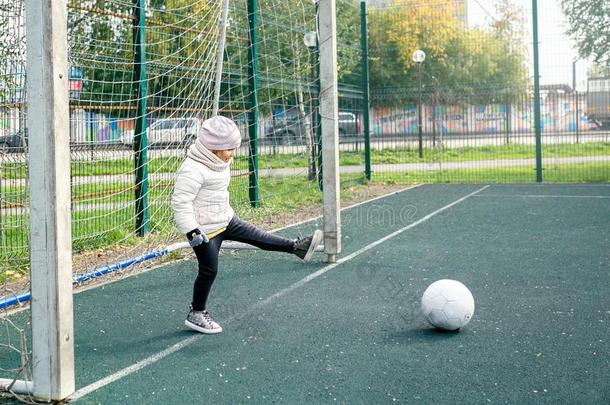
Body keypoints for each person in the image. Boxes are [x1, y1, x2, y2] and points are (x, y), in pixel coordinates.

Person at [171, 115, 322, 334]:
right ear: (213, 148)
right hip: (204, 231)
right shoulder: (192, 169)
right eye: (229, 149)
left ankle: (297, 247)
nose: (233, 153)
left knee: (260, 237)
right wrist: (192, 230)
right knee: (209, 271)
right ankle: (196, 314)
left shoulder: (220, 160)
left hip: (226, 219)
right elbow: (180, 203)